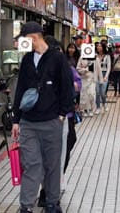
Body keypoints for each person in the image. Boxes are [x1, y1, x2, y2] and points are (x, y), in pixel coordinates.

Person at [12, 22, 75, 213]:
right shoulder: (27, 60)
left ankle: (52, 203)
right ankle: (26, 206)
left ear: (33, 37)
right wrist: (16, 120)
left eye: (24, 38)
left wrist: (62, 115)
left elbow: (67, 88)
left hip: (51, 122)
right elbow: (20, 90)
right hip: (28, 123)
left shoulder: (57, 58)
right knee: (32, 164)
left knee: (52, 165)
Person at [77, 49, 96, 117]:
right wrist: (85, 69)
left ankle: (91, 109)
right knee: (84, 95)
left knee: (91, 94)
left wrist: (100, 79)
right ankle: (84, 110)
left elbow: (98, 68)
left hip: (92, 79)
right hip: (84, 78)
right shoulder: (82, 57)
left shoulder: (94, 57)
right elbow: (78, 68)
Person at [93, 42, 111, 114]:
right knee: (97, 92)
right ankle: (98, 107)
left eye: (100, 46)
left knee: (103, 92)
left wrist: (106, 76)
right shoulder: (94, 56)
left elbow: (109, 67)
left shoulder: (107, 56)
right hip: (96, 74)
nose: (98, 47)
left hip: (104, 74)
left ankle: (104, 103)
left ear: (103, 47)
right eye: (97, 46)